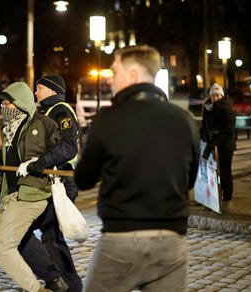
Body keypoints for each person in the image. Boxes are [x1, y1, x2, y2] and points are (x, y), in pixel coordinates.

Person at [74, 45, 200, 291]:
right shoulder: (184, 120)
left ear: (132, 75)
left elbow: (84, 179)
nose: (111, 79)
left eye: (115, 71)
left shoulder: (108, 120)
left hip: (121, 239)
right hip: (171, 240)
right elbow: (190, 180)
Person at [0, 81, 61, 292]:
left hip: (32, 194)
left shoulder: (42, 124)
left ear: (20, 104)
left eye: (7, 104)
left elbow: (62, 151)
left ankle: (37, 290)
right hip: (11, 195)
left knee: (3, 248)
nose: (3, 108)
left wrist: (39, 163)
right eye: (2, 105)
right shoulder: (8, 129)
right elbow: (5, 157)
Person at [18, 75, 81, 292]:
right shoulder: (45, 113)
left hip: (63, 183)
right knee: (52, 237)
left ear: (53, 91)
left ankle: (57, 280)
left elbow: (69, 147)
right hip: (54, 182)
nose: (36, 93)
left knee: (24, 230)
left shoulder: (61, 111)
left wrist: (42, 162)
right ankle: (66, 285)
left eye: (40, 88)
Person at [201, 83, 236, 201]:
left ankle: (227, 196)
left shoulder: (225, 108)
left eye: (217, 95)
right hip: (212, 144)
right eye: (213, 95)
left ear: (221, 96)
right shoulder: (208, 108)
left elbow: (229, 130)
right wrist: (204, 137)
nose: (215, 98)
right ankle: (215, 194)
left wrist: (215, 142)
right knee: (212, 171)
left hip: (224, 146)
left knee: (225, 171)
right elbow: (205, 125)